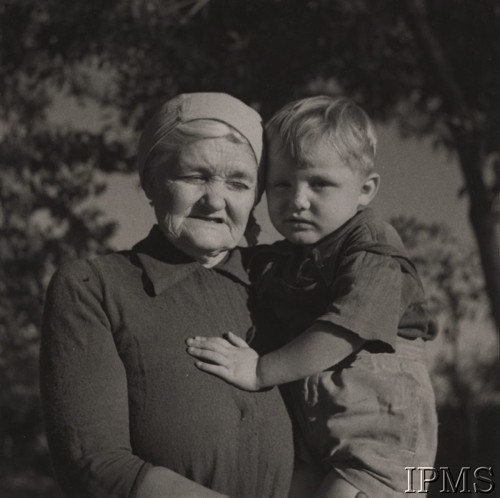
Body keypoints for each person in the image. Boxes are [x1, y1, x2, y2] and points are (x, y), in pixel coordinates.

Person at [40, 92, 294, 498]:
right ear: (151, 181)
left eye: (238, 183)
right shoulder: (94, 287)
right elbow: (93, 465)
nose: (215, 199)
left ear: (257, 197)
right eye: (195, 177)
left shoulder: (284, 281)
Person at [186, 96, 438, 497]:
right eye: (281, 184)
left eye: (319, 183)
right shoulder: (286, 257)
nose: (297, 200)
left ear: (365, 190)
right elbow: (234, 265)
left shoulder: (370, 244)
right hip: (318, 435)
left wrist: (259, 371)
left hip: (379, 444)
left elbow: (346, 330)